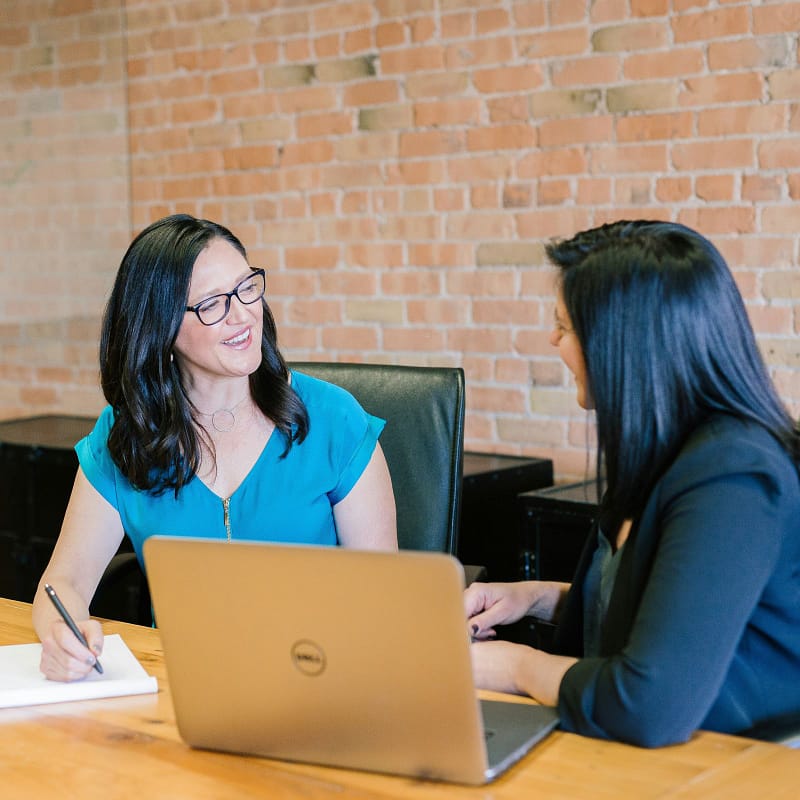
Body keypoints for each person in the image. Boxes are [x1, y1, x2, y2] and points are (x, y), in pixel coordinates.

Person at [465, 220, 800, 747]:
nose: (552, 341)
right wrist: (534, 597)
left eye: (565, 326)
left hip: (739, 762)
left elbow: (647, 704)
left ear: (623, 344)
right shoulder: (663, 452)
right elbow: (664, 610)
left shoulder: (734, 477)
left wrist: (514, 667)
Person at [33, 214, 397, 681]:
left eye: (247, 287)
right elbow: (62, 583)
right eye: (212, 304)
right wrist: (61, 637)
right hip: (184, 687)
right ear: (161, 328)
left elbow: (384, 598)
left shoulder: (334, 420)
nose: (244, 314)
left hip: (321, 678)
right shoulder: (126, 437)